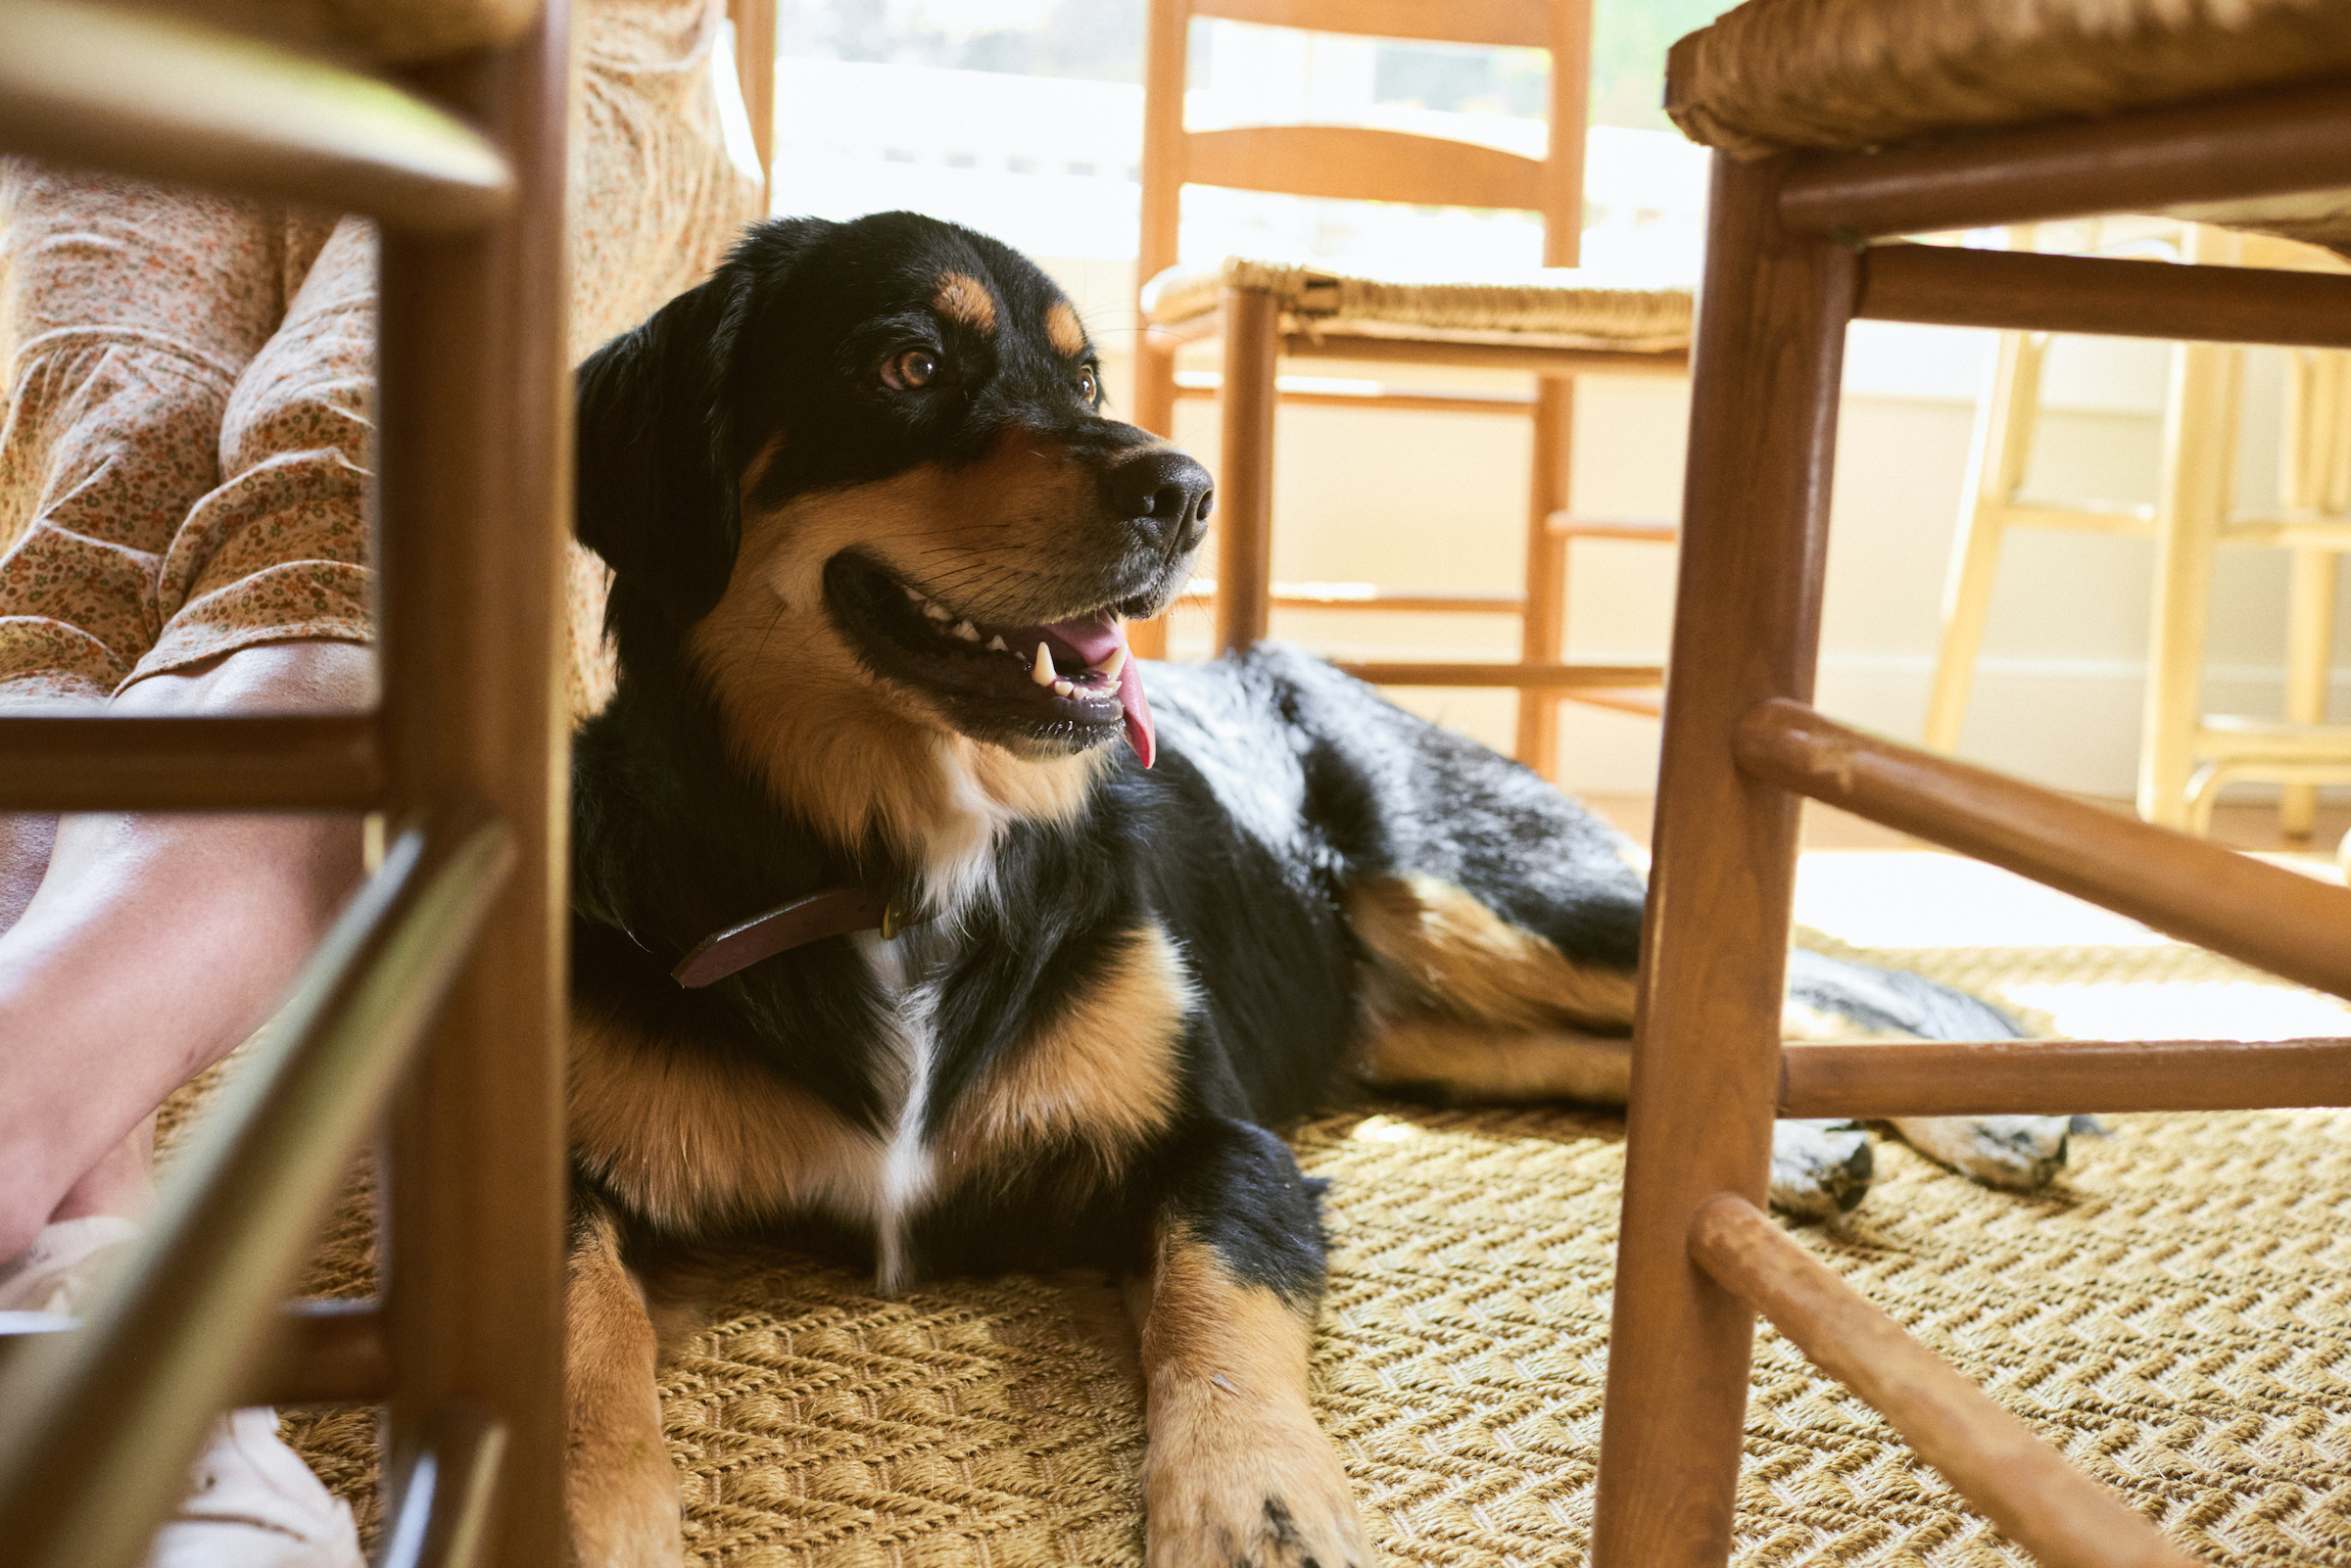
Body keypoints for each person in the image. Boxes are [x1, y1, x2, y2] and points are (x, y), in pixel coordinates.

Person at [0, 1, 764, 1558]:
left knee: (359, 491)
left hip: (541, 30)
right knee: (88, 518)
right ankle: (93, 1320)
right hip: (148, 18)